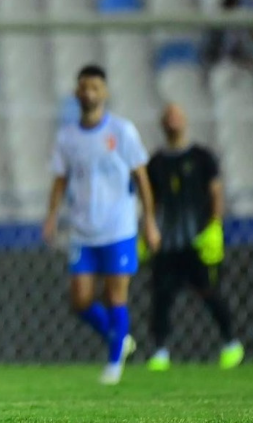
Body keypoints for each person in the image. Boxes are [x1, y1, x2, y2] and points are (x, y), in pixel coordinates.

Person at [42, 65, 161, 385]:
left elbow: (141, 177)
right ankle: (118, 337)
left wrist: (149, 221)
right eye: (83, 87)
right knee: (80, 300)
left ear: (105, 92)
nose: (88, 92)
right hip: (83, 230)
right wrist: (51, 216)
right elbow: (59, 179)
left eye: (94, 87)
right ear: (76, 92)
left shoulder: (122, 131)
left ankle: (113, 364)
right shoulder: (67, 137)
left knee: (115, 296)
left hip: (119, 228)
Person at [144, 103, 244, 371]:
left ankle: (230, 342)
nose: (172, 120)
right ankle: (160, 350)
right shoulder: (156, 163)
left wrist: (214, 227)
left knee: (210, 291)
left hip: (198, 241)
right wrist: (148, 228)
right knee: (161, 297)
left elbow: (216, 192)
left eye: (177, 115)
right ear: (162, 123)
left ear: (185, 120)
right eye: (168, 116)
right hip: (167, 243)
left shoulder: (202, 157)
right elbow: (150, 201)